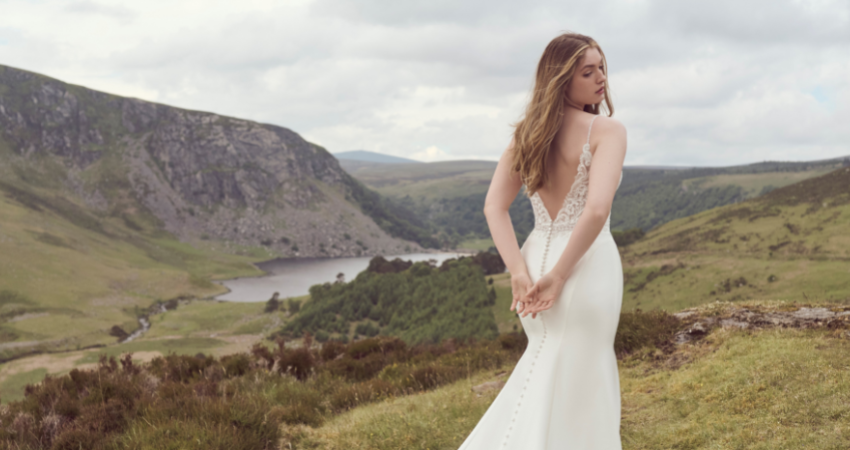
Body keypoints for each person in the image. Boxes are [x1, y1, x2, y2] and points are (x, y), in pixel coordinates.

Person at [459, 32, 627, 449]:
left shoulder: (525, 136)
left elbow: (493, 208)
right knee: (584, 375)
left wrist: (520, 270)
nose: (600, 78)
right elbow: (596, 211)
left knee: (546, 366)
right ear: (560, 80)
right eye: (587, 72)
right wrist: (558, 275)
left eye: (601, 67)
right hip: (583, 266)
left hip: (536, 259)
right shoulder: (607, 130)